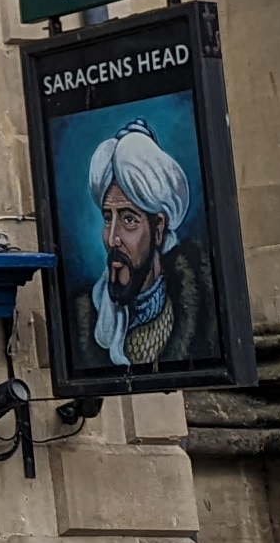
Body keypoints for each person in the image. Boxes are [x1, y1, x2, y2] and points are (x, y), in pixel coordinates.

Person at [81, 123, 198, 368]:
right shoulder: (84, 316)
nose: (113, 238)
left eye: (129, 220)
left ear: (158, 228)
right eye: (108, 218)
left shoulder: (196, 312)